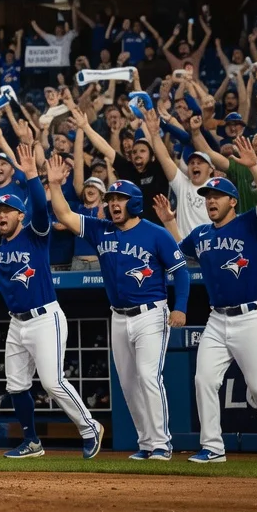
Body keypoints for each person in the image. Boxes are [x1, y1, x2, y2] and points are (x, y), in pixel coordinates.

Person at [0, 145, 101, 461]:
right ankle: (32, 442)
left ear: (20, 214)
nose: (0, 215)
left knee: (52, 381)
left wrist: (32, 174)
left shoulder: (35, 234)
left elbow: (43, 212)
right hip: (17, 322)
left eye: (6, 211)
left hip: (46, 317)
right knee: (16, 386)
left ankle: (90, 428)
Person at [153, 138, 257, 464]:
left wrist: (254, 166)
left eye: (216, 196)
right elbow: (178, 251)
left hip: (252, 316)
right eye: (207, 196)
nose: (210, 200)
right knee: (203, 380)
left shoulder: (250, 223)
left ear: (233, 201)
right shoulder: (202, 234)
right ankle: (213, 448)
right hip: (218, 319)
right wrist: (170, 221)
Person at [49, 180, 187, 460]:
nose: (113, 204)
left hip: (151, 313)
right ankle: (146, 442)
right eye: (110, 199)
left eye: (120, 199)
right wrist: (53, 184)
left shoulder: (156, 234)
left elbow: (181, 271)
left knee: (149, 377)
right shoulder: (101, 230)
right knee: (127, 382)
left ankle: (162, 443)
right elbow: (64, 216)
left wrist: (180, 307)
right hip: (119, 316)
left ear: (134, 202)